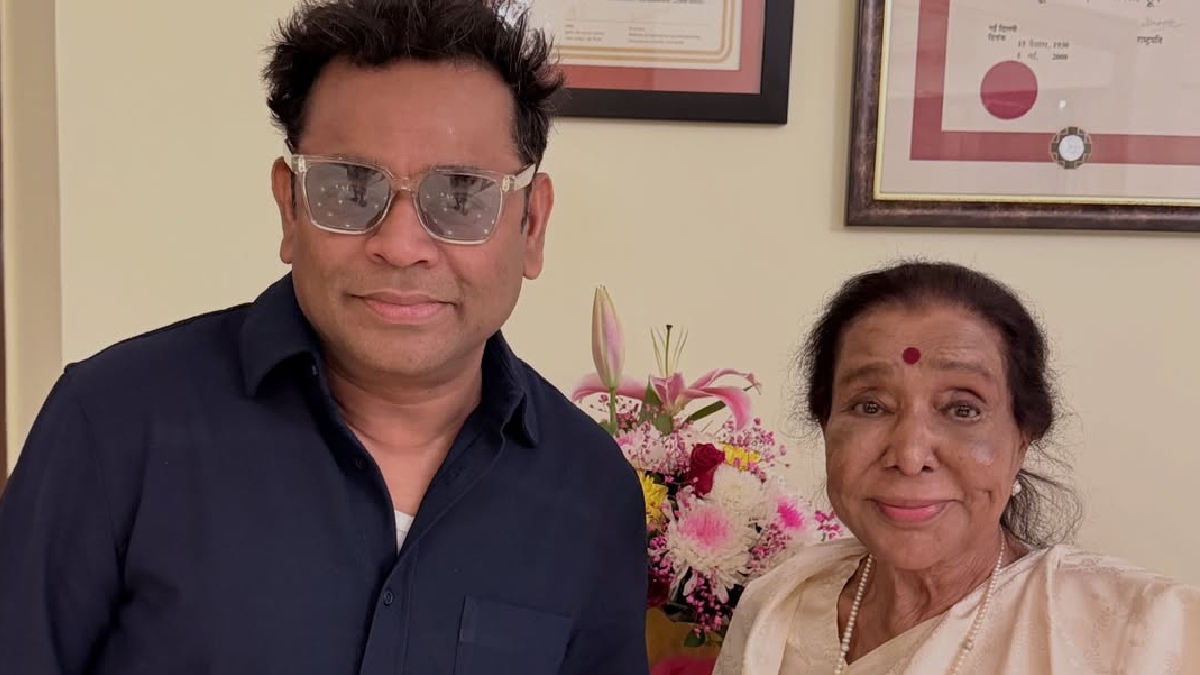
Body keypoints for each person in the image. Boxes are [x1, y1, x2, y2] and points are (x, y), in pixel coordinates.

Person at [0, 2, 650, 674]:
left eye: (461, 194)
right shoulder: (113, 426)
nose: (401, 245)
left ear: (532, 224)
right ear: (290, 206)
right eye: (350, 187)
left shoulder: (590, 492)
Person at [712, 261, 1200, 675]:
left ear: (1022, 438)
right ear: (826, 426)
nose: (909, 456)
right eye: (870, 406)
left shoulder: (1144, 633)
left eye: (962, 409)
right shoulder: (778, 610)